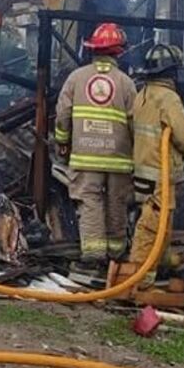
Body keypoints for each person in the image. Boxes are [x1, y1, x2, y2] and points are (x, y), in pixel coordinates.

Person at [54, 22, 139, 284]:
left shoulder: (77, 78)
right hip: (118, 159)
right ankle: (116, 256)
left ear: (92, 49)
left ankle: (93, 258)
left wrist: (63, 141)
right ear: (118, 53)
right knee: (117, 204)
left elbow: (63, 113)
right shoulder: (126, 83)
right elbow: (135, 121)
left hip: (85, 156)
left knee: (90, 204)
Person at [126, 44, 184, 290]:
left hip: (143, 170)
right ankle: (139, 279)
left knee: (160, 222)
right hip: (161, 173)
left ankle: (162, 261)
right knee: (150, 226)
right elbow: (183, 135)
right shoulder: (168, 98)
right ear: (172, 71)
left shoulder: (143, 94)